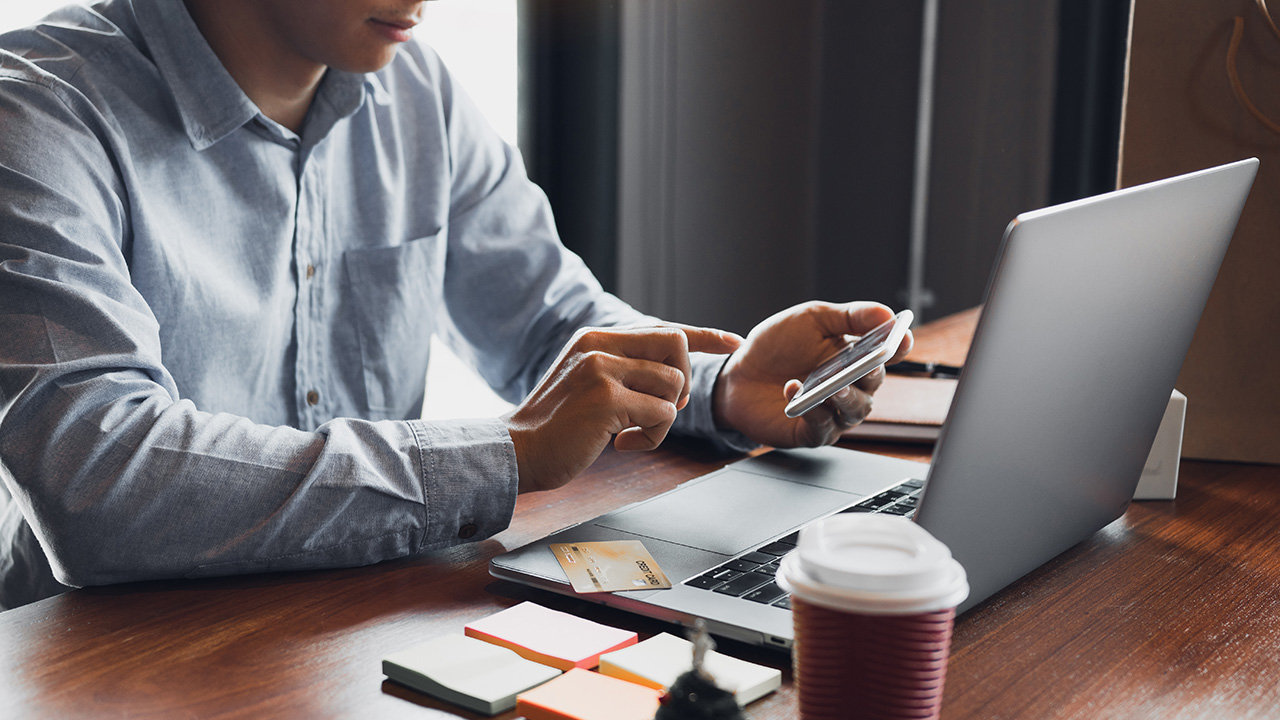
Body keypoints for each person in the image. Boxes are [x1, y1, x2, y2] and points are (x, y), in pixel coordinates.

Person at [0, 0, 911, 610]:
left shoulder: (415, 89)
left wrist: (722, 390)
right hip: (96, 664)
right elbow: (101, 481)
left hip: (338, 632)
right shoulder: (39, 113)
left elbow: (551, 327)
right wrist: (504, 454)